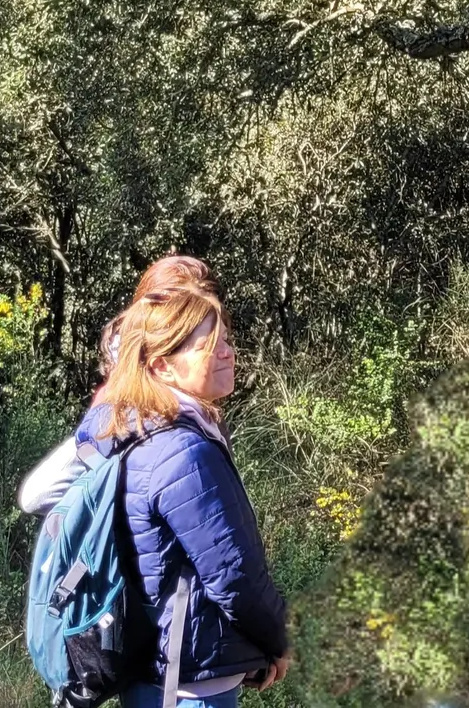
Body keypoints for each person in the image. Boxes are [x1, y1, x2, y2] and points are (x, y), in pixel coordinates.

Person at [97, 283, 292, 704]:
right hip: (186, 686)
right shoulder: (184, 452)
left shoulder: (136, 428)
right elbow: (234, 576)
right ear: (163, 366)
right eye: (209, 345)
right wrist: (281, 639)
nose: (228, 352)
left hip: (159, 671)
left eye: (226, 340)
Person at [18, 254, 217, 514]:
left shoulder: (197, 408)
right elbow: (37, 494)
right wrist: (132, 506)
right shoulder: (123, 404)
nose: (218, 348)